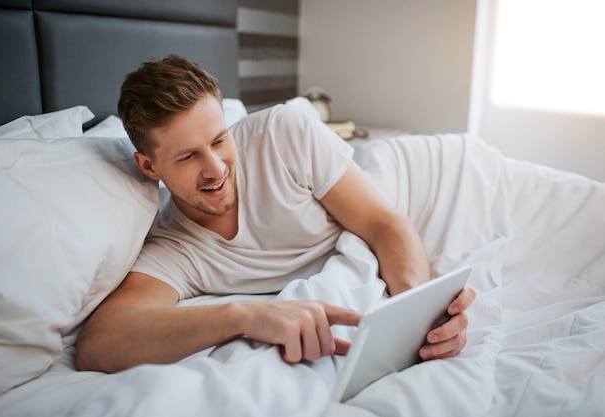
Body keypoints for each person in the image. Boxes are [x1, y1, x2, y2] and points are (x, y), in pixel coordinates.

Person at [76, 55, 475, 374]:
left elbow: (382, 222)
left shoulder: (281, 133)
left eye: (219, 139)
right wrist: (241, 315)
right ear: (149, 167)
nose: (216, 168)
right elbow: (99, 344)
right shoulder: (174, 248)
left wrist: (416, 318)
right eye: (188, 156)